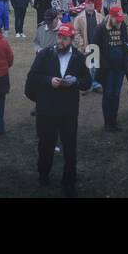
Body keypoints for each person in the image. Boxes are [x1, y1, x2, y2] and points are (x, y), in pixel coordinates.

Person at [25, 22, 92, 197]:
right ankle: (43, 175)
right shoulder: (45, 54)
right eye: (59, 37)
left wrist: (76, 81)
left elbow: (87, 82)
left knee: (70, 147)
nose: (61, 41)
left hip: (69, 111)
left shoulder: (79, 57)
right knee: (45, 145)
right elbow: (32, 76)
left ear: (71, 39)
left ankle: (69, 181)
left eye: (65, 38)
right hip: (46, 110)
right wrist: (49, 81)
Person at [94, 6, 128, 131]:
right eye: (117, 19)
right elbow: (93, 47)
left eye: (121, 19)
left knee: (116, 94)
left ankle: (114, 121)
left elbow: (125, 43)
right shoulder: (101, 28)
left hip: (120, 68)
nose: (119, 22)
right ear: (110, 16)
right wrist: (100, 65)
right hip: (108, 69)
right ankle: (107, 122)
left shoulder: (123, 26)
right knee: (108, 94)